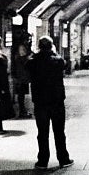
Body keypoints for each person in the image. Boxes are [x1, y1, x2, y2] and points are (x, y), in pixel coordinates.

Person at [26, 36, 73, 169]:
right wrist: (53, 52)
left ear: (39, 46)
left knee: (42, 133)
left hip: (40, 102)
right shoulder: (57, 60)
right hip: (56, 101)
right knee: (59, 131)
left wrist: (37, 53)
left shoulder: (33, 61)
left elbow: (27, 65)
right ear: (51, 46)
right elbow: (64, 65)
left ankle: (42, 161)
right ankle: (63, 159)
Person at [13, 44, 32, 118]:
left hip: (22, 77)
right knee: (21, 94)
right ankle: (22, 111)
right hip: (21, 77)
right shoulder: (20, 50)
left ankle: (23, 110)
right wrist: (28, 58)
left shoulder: (19, 51)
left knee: (22, 95)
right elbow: (23, 61)